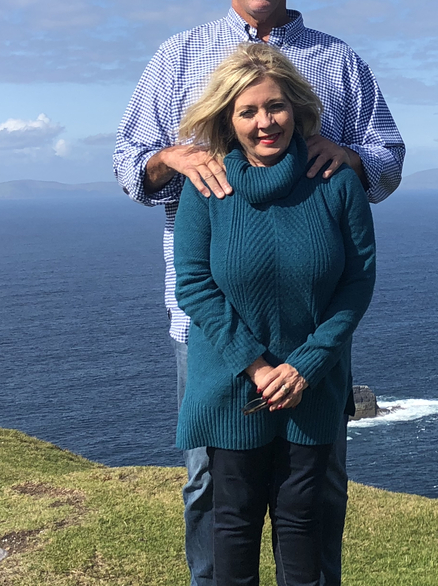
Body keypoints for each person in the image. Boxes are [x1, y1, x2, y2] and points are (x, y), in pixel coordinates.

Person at [113, 0, 403, 586]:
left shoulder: (340, 62)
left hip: (311, 327)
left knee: (315, 486)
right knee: (214, 489)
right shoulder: (176, 55)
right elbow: (129, 165)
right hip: (211, 325)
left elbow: (387, 161)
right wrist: (173, 160)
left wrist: (351, 156)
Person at [173, 42, 375, 586]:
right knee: (232, 532)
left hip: (311, 389)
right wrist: (259, 368)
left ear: (299, 109)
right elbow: (193, 286)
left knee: (303, 531)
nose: (265, 122)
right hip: (233, 386)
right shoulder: (206, 187)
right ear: (227, 118)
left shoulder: (337, 181)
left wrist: (304, 367)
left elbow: (357, 284)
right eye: (248, 111)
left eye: (276, 107)